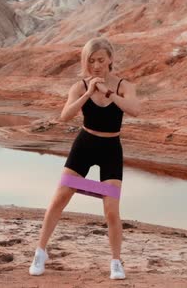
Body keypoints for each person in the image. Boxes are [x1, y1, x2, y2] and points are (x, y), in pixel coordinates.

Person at [29, 37, 141, 280]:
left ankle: (115, 261)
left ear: (110, 59)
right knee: (60, 198)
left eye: (100, 60)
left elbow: (135, 109)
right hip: (85, 145)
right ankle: (40, 251)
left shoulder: (124, 86)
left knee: (111, 210)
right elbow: (64, 116)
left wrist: (107, 92)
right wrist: (89, 92)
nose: (96, 65)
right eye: (91, 61)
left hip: (111, 148)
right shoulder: (80, 86)